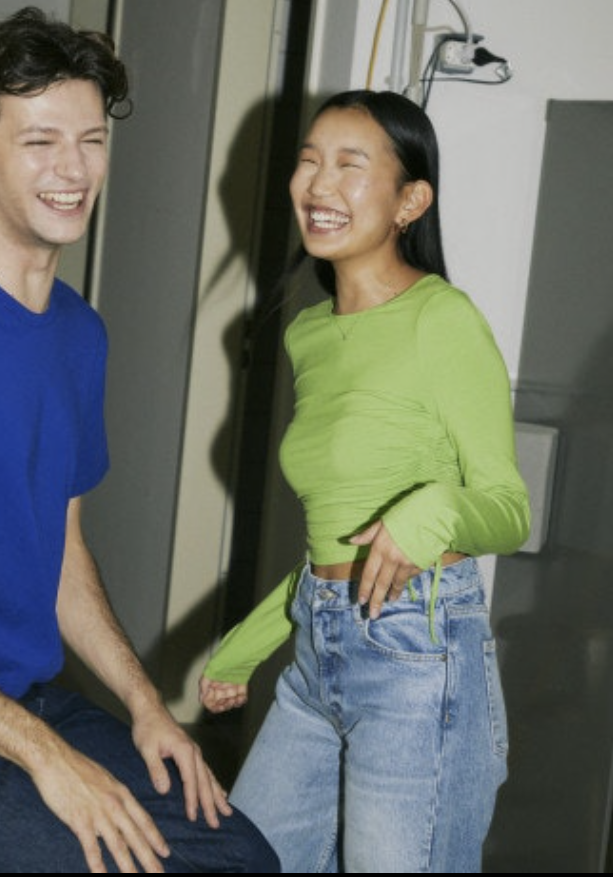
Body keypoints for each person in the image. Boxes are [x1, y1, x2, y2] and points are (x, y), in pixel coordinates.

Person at [199, 89, 531, 873]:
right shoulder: (310, 332)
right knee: (244, 860)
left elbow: (510, 510)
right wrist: (248, 645)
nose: (319, 184)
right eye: (310, 161)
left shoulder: (441, 319)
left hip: (419, 656)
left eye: (352, 165)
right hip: (320, 651)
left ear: (411, 200)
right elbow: (340, 536)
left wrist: (436, 512)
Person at [0, 6, 280, 875]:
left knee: (237, 860)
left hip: (23, 697)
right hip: (16, 730)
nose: (73, 169)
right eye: (38, 141)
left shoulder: (79, 334)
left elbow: (63, 549)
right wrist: (49, 759)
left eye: (89, 139)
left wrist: (145, 701)